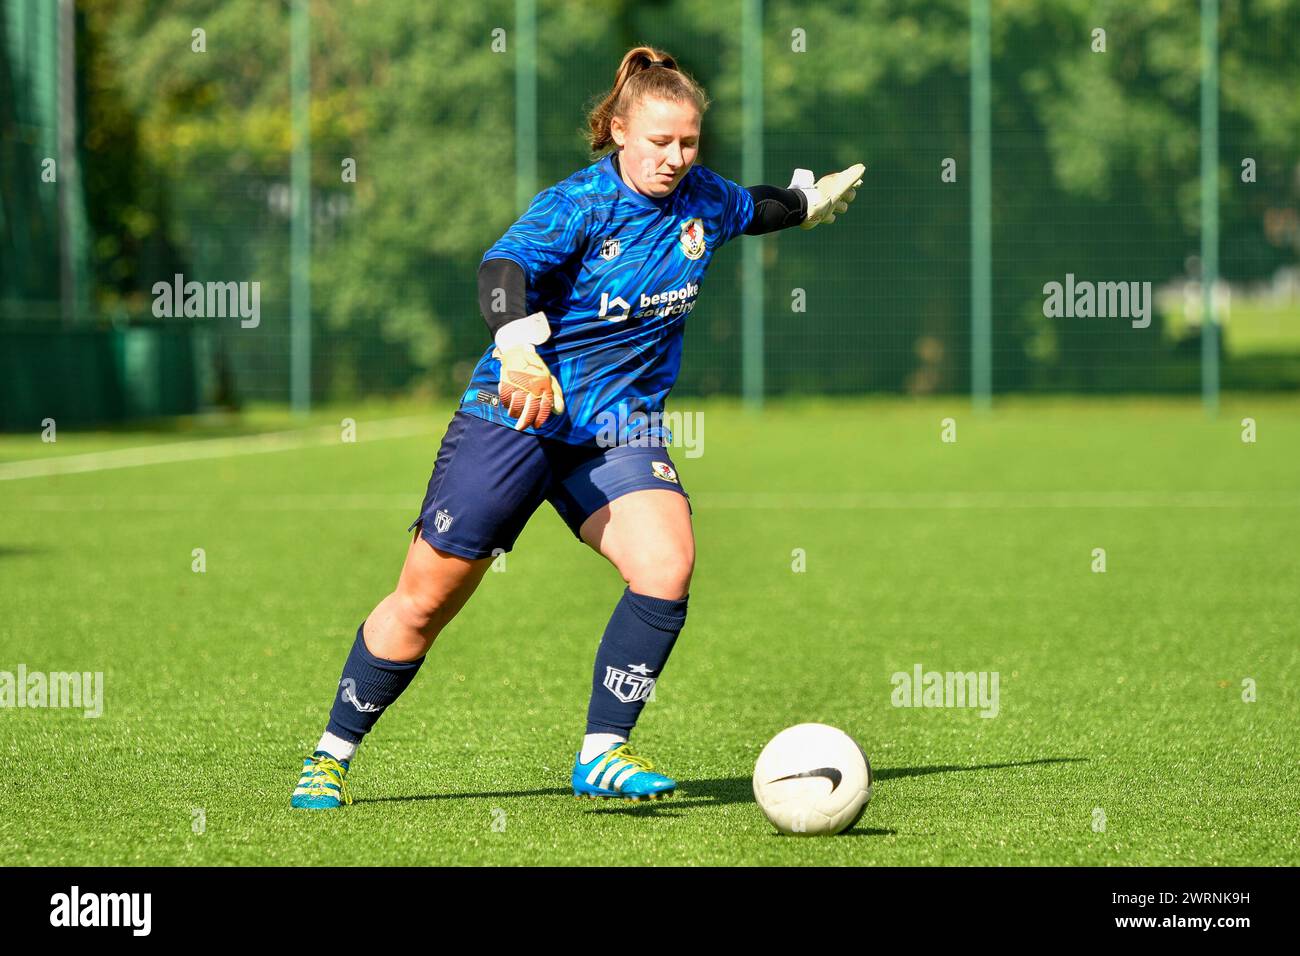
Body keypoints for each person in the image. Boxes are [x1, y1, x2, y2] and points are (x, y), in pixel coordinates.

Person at [292, 45, 863, 808]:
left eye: (689, 142)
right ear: (621, 131)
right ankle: (330, 754)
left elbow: (750, 208)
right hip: (517, 418)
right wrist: (517, 347)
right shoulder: (581, 204)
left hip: (618, 430)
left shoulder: (703, 197)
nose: (675, 157)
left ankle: (603, 751)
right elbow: (501, 269)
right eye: (660, 141)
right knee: (425, 602)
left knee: (666, 567)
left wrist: (804, 203)